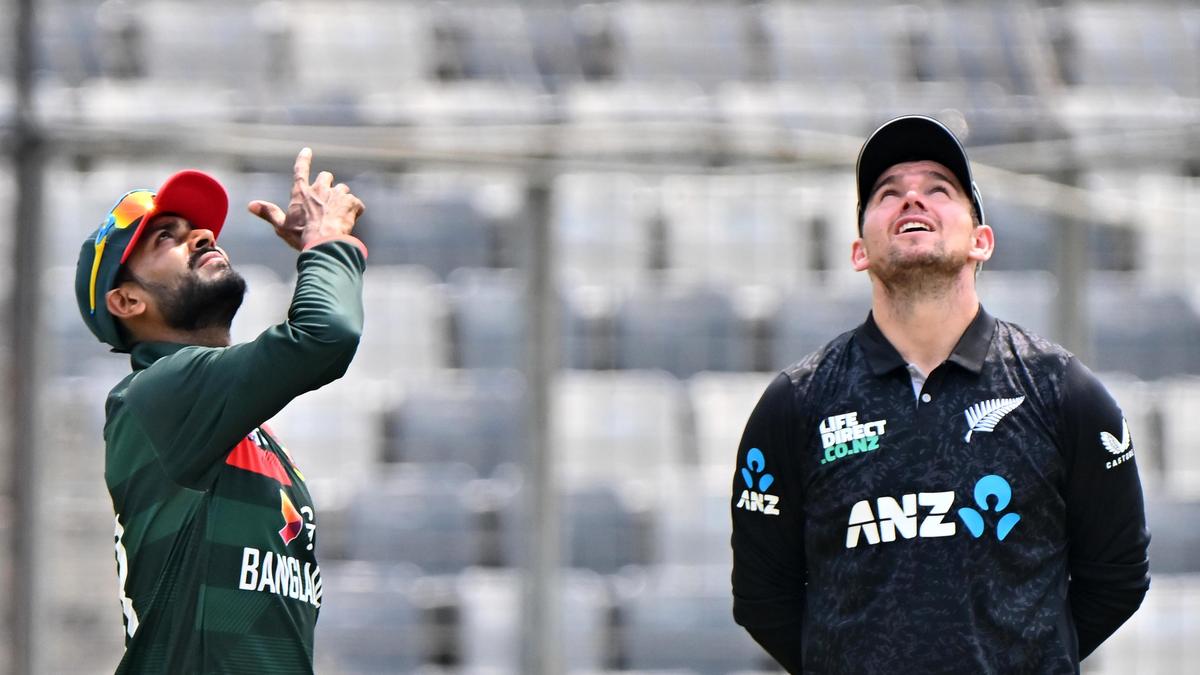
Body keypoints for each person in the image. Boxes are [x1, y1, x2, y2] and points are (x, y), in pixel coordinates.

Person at [730, 115, 1150, 674]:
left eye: (939, 189)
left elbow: (1118, 577)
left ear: (981, 242)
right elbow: (763, 597)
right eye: (887, 193)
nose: (912, 199)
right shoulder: (796, 403)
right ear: (859, 251)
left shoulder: (1062, 391)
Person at [74, 148, 367, 673]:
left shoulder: (238, 426)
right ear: (127, 301)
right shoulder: (160, 394)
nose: (204, 235)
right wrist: (327, 245)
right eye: (165, 237)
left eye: (199, 229)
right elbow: (325, 335)